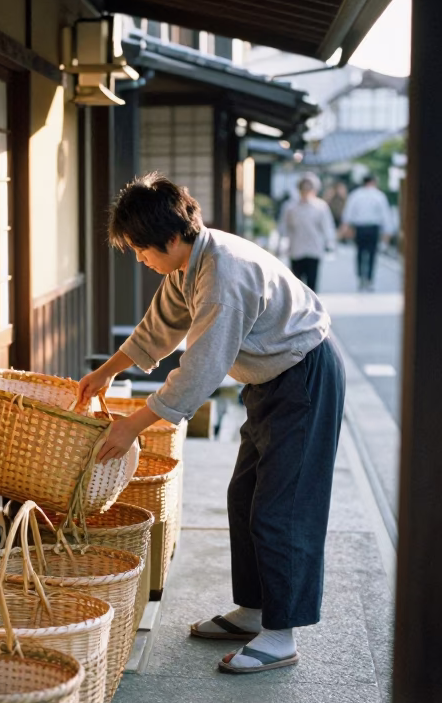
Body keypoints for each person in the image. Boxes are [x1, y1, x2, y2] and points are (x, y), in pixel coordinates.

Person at [78, 172, 346, 675]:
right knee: (244, 497)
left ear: (173, 237)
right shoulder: (189, 264)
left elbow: (201, 366)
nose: (141, 259)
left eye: (142, 249)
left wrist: (131, 424)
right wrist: (104, 373)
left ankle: (281, 634)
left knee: (282, 509)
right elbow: (157, 329)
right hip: (270, 381)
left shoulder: (224, 273)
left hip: (304, 377)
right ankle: (253, 609)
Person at [277, 172, 336, 292]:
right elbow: (283, 227)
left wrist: (330, 244)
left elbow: (327, 227)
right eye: (303, 187)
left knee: (312, 283)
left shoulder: (321, 206)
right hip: (296, 249)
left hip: (314, 249)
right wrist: (280, 244)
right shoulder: (290, 207)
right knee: (296, 284)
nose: (306, 190)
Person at [339, 174, 393, 291]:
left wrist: (345, 228)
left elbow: (348, 213)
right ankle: (369, 279)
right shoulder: (379, 196)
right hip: (373, 228)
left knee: (360, 253)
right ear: (374, 182)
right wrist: (387, 233)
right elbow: (385, 216)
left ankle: (361, 278)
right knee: (372, 254)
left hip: (360, 228)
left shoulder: (356, 195)